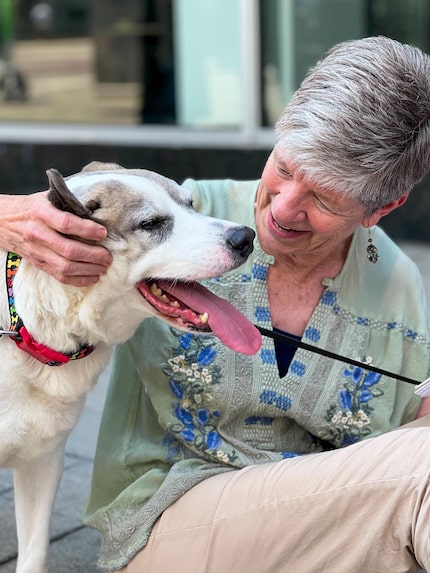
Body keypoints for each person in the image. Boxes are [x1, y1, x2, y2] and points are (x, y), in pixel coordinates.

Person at [2, 36, 430, 572]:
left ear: (382, 207)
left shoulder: (397, 282)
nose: (284, 208)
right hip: (176, 518)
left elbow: (414, 418)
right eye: (286, 168)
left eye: (324, 199)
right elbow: (85, 211)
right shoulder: (181, 210)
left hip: (330, 522)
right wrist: (8, 216)